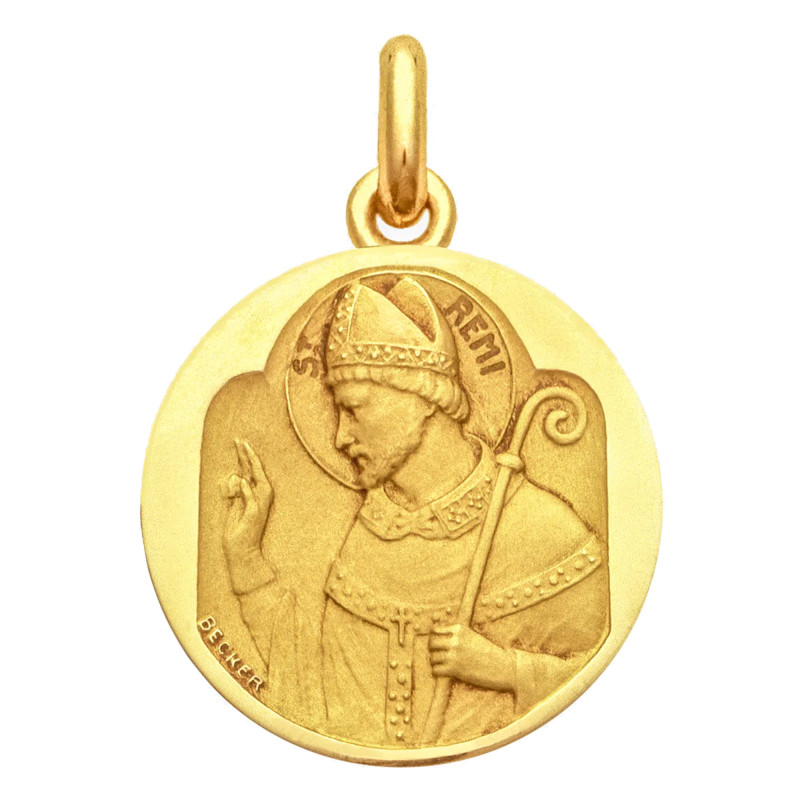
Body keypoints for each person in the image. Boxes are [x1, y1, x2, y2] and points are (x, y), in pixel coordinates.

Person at [223, 277, 608, 746]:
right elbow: (313, 688)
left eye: (354, 409)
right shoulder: (370, 533)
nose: (340, 436)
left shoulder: (542, 532)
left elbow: (603, 683)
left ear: (420, 399)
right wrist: (246, 560)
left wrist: (505, 669)